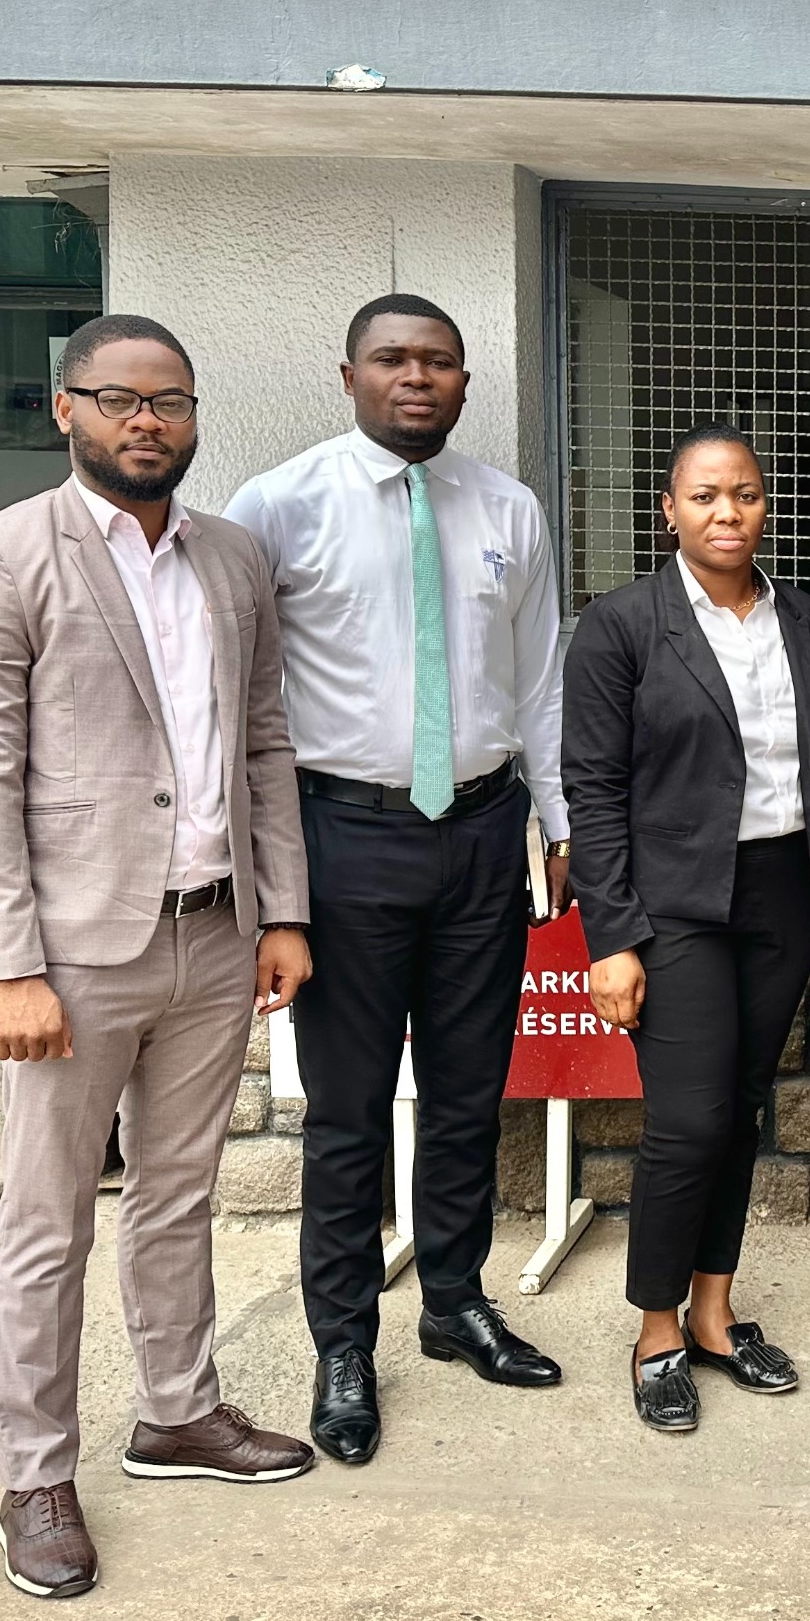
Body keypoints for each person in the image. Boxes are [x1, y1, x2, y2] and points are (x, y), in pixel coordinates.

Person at [0, 313, 315, 1600]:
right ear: (66, 410)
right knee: (46, 1224)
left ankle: (178, 1413)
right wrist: (8, 963)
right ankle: (35, 1474)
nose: (147, 421)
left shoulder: (235, 561)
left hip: (215, 937)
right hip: (75, 953)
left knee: (178, 1195)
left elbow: (263, 743)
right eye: (119, 399)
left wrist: (283, 913)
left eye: (171, 401)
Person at [226, 293, 569, 1467]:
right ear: (349, 374)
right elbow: (243, 699)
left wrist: (557, 822)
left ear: (465, 383)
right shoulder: (276, 507)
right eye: (393, 360)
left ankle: (456, 1303)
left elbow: (539, 687)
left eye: (438, 362)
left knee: (472, 1092)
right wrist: (268, 874)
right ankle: (341, 1344)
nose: (415, 378)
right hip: (342, 837)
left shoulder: (506, 510)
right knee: (350, 1113)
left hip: (481, 834)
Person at [565, 421, 810, 1433]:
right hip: (675, 902)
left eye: (743, 494)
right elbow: (591, 792)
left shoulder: (804, 622)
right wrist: (609, 938)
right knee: (686, 1122)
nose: (726, 513)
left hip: (783, 893)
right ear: (669, 510)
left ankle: (715, 1314)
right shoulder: (621, 626)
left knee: (738, 1113)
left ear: (765, 504)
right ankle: (654, 1330)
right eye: (704, 497)